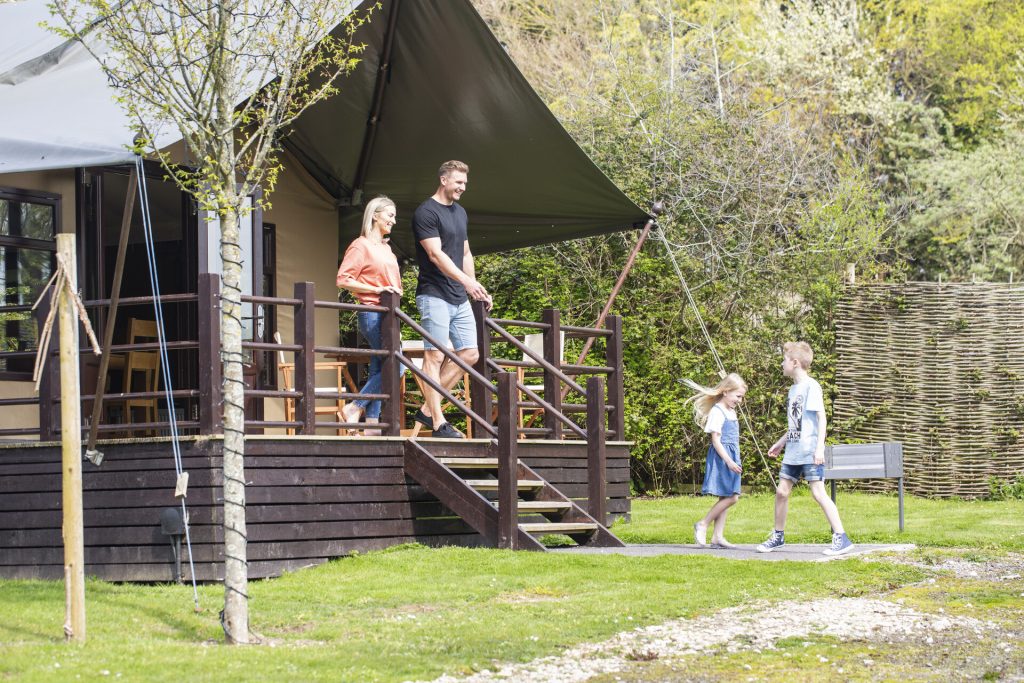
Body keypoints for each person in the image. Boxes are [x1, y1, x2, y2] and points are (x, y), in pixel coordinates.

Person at [411, 160, 492, 439]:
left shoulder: (461, 213)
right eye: (458, 182)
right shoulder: (426, 212)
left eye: (465, 183)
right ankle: (438, 422)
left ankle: (427, 407)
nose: (462, 188)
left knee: (470, 354)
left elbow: (465, 252)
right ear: (444, 180)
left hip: (458, 295)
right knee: (433, 356)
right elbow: (436, 255)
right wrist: (466, 282)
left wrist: (475, 286)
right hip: (434, 293)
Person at [757, 341, 854, 556]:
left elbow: (821, 419)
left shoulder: (812, 386)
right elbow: (797, 423)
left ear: (795, 362)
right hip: (793, 451)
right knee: (782, 492)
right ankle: (778, 536)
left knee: (818, 493)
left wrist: (819, 449)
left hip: (810, 451)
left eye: (784, 360)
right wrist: (781, 442)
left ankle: (841, 537)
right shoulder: (793, 389)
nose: (781, 364)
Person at [337, 196, 404, 435]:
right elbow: (343, 279)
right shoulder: (360, 245)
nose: (393, 220)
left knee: (381, 366)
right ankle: (354, 407)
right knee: (397, 364)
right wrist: (377, 289)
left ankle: (372, 425)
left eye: (394, 216)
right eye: (389, 215)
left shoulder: (386, 248)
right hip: (372, 311)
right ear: (375, 215)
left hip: (390, 313)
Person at [687, 373, 747, 549]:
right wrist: (728, 461)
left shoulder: (731, 410)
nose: (740, 401)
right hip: (723, 457)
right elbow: (716, 440)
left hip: (732, 456)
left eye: (742, 397)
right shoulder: (717, 411)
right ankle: (703, 523)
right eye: (738, 396)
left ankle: (717, 537)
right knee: (733, 497)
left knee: (726, 496)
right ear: (726, 392)